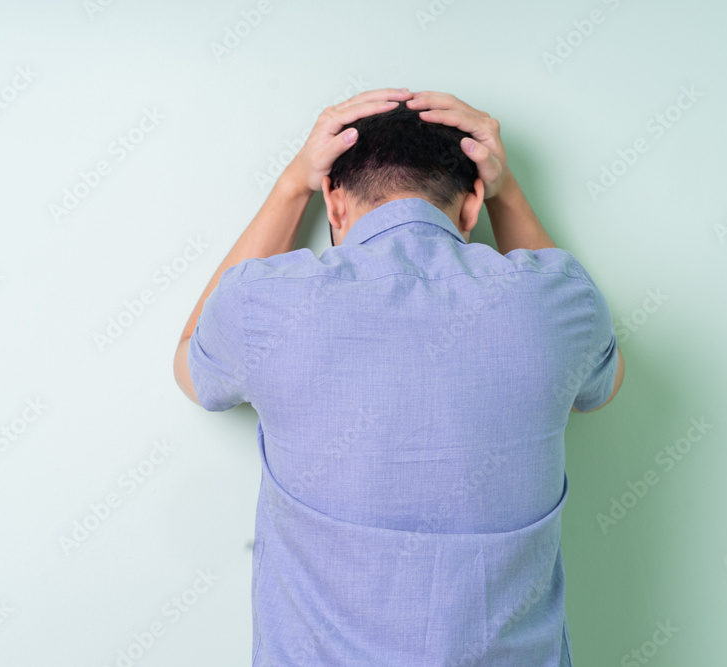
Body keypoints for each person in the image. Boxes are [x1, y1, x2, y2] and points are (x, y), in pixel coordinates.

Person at [173, 88, 624, 666]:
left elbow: (193, 364)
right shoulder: (559, 303)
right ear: (471, 208)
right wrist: (505, 194)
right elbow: (602, 381)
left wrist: (291, 186)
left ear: (333, 205)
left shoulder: (265, 303)